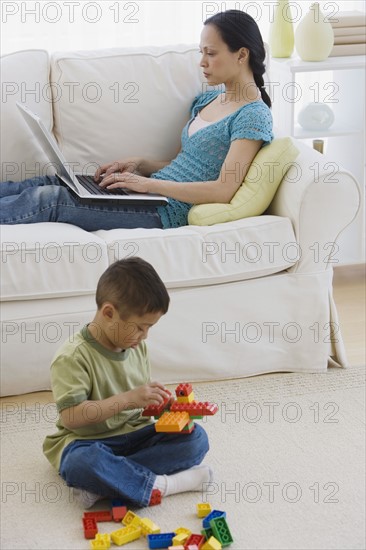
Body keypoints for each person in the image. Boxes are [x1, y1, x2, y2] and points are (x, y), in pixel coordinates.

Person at [1, 10, 273, 231]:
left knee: (53, 200)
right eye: (201, 52)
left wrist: (148, 185)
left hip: (166, 212)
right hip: (149, 195)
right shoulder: (207, 100)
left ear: (241, 54)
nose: (202, 62)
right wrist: (141, 166)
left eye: (210, 53)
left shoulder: (252, 115)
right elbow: (182, 164)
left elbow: (223, 190)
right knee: (55, 181)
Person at [43, 257, 212, 508]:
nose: (145, 336)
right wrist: (128, 399)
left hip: (135, 435)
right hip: (89, 441)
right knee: (82, 463)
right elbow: (71, 417)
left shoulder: (135, 346)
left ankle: (106, 485)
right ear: (109, 313)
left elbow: (140, 408)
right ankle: (166, 486)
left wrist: (166, 406)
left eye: (150, 328)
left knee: (196, 439)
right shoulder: (72, 356)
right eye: (141, 327)